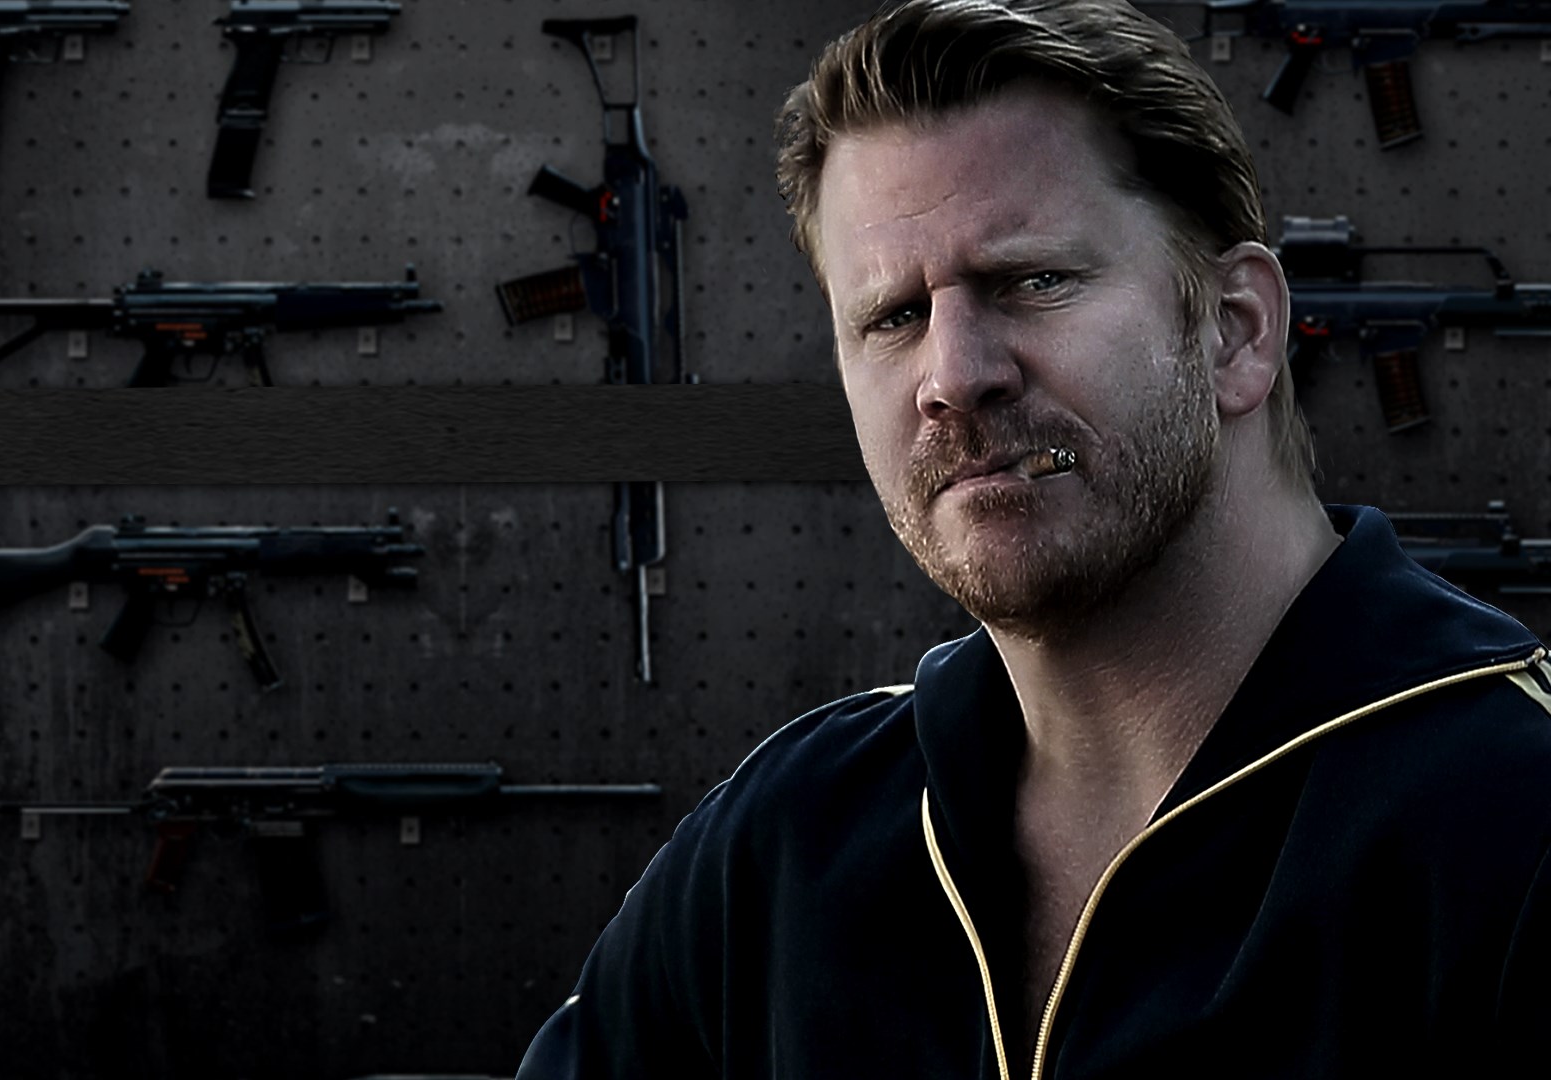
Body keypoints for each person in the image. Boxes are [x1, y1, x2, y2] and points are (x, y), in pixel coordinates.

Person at [513, 0, 1551, 1076]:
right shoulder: (782, 844)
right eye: (894, 317)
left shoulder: (1516, 822)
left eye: (1033, 281)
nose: (955, 375)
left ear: (1235, 331)